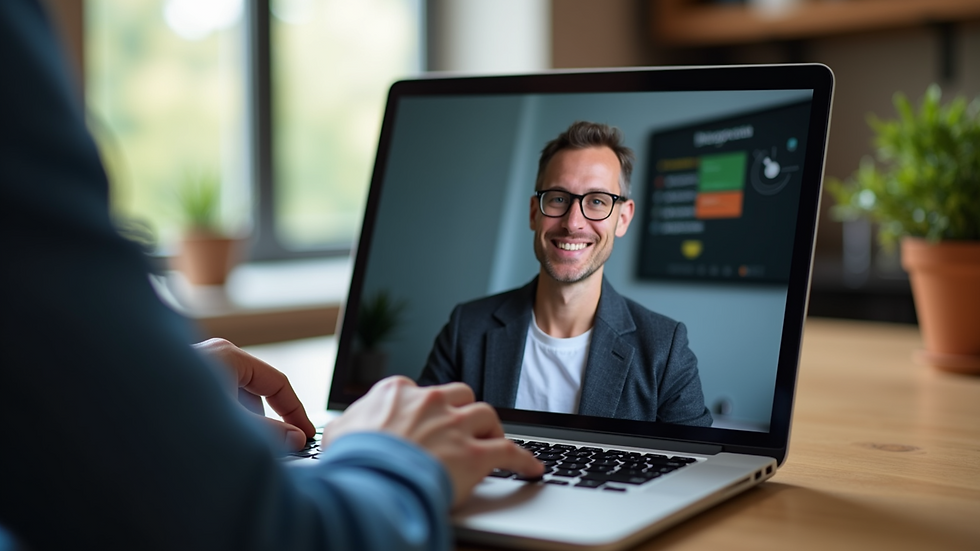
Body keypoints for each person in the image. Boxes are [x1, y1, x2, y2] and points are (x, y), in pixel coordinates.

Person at [0, 1, 541, 550]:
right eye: (556, 200)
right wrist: (393, 459)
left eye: (596, 201)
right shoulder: (467, 322)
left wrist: (132, 403)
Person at [418, 121, 712, 426]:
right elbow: (419, 440)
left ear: (622, 219)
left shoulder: (665, 350)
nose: (573, 223)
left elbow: (699, 466)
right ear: (534, 212)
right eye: (558, 198)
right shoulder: (465, 329)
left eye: (597, 201)